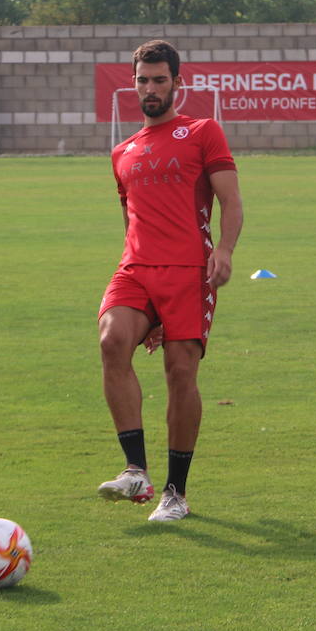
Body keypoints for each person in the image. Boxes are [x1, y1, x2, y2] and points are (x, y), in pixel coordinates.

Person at [95, 39, 244, 522]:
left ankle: (175, 494)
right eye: (143, 80)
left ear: (178, 83)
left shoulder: (203, 132)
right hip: (136, 268)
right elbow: (130, 219)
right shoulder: (123, 150)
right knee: (112, 340)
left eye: (160, 79)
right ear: (133, 84)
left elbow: (231, 202)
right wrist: (148, 313)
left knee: (180, 373)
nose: (151, 88)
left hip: (188, 272)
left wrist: (223, 250)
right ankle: (135, 469)